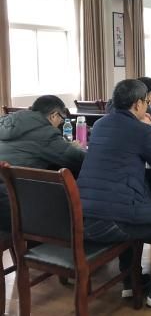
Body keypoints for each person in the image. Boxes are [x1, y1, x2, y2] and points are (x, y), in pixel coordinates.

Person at [77, 79, 151, 307]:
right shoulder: (141, 130)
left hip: (84, 217)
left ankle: (131, 281)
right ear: (138, 104)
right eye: (146, 103)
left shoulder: (99, 124)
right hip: (110, 223)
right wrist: (148, 128)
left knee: (126, 207)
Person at [0, 95, 86, 231]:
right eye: (61, 119)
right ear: (54, 115)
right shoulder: (46, 133)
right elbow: (79, 160)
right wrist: (76, 148)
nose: (60, 124)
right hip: (11, 208)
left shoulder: (6, 123)